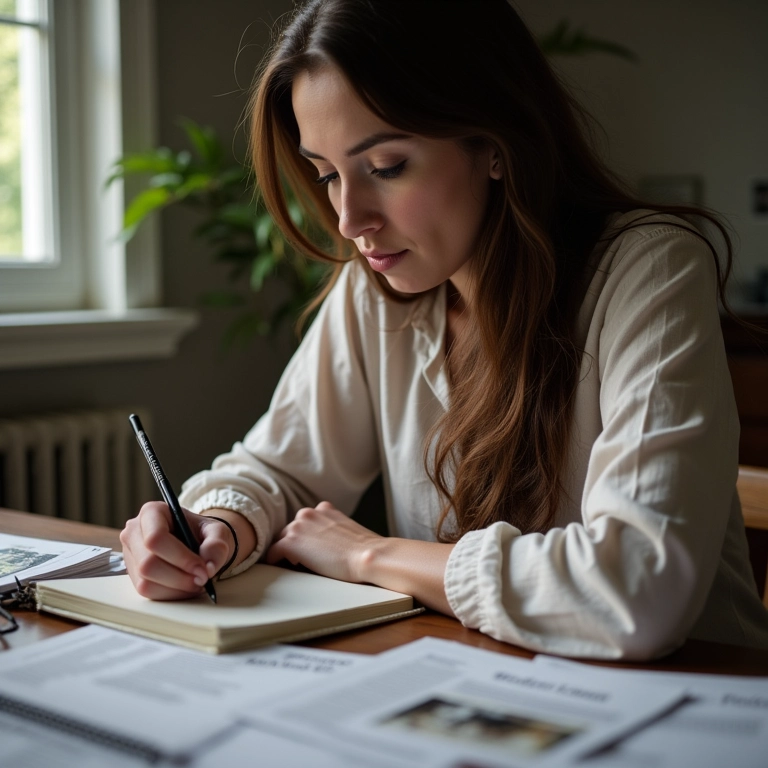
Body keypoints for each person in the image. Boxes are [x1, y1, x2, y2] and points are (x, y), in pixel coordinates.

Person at [120, 0, 768, 659]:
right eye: (327, 175)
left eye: (386, 167)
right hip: (478, 684)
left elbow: (637, 589)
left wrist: (372, 554)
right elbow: (278, 470)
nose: (348, 219)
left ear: (492, 142)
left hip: (703, 702)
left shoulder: (649, 269)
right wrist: (215, 525)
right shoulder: (376, 290)